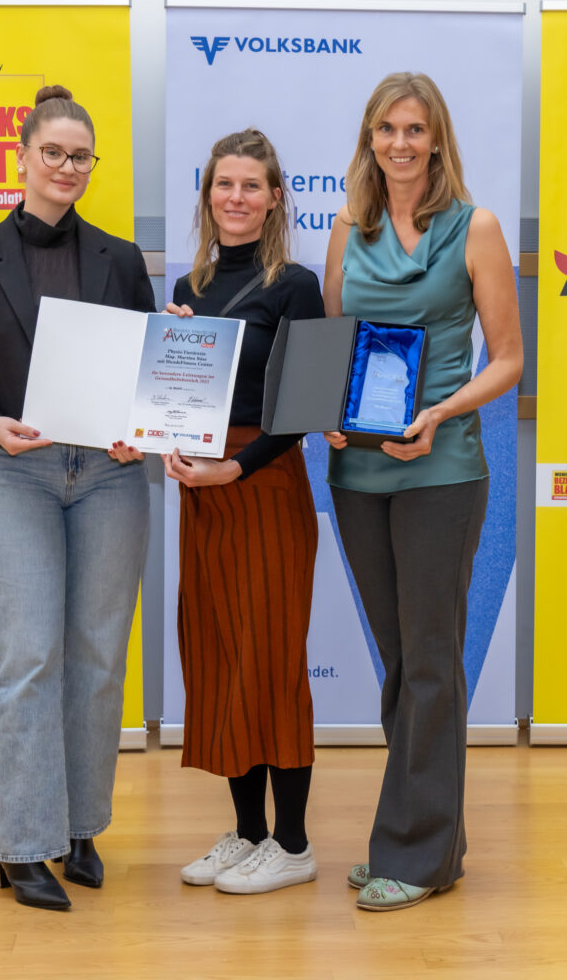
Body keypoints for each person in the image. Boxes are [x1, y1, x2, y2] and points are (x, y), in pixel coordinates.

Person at [0, 85, 154, 911]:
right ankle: (22, 844)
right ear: (21, 158)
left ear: (92, 167)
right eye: (53, 153)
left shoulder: (121, 259)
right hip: (18, 474)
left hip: (109, 476)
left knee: (97, 662)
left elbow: (143, 374)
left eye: (80, 156)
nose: (67, 167)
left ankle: (79, 828)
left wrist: (145, 423)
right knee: (28, 659)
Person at [323, 72, 523, 911]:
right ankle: (428, 837)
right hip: (359, 471)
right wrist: (325, 413)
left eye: (415, 129)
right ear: (368, 138)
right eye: (385, 129)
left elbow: (509, 359)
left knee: (432, 660)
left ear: (436, 138)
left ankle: (412, 849)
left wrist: (440, 410)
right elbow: (333, 347)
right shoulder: (344, 230)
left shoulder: (474, 228)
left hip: (441, 469)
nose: (400, 144)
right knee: (402, 662)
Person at [163, 128, 323, 894]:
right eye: (222, 184)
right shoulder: (186, 289)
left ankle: (291, 845)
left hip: (263, 485)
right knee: (221, 657)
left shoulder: (296, 282)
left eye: (250, 185)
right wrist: (166, 438)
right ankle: (248, 832)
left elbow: (304, 407)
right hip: (203, 492)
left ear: (274, 197)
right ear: (207, 196)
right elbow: (177, 394)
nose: (235, 197)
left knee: (269, 661)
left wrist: (233, 465)